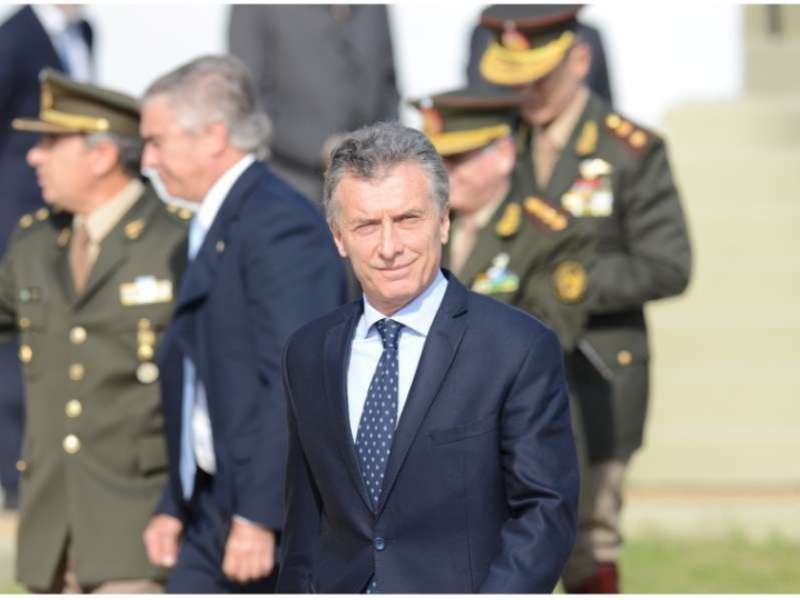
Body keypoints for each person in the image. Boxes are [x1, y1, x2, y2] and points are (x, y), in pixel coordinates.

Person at [276, 122, 579, 593]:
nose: (389, 247)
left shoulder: (515, 348)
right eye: (366, 225)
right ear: (338, 237)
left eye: (407, 220)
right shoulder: (309, 352)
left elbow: (544, 513)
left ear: (443, 222)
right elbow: (305, 524)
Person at [477, 5, 693, 593]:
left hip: (596, 371)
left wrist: (568, 282)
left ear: (579, 61)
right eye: (516, 78)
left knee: (590, 537)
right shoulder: (497, 143)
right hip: (506, 370)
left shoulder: (631, 151)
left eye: (540, 77)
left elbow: (670, 265)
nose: (526, 91)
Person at [139, 55, 348, 593]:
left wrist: (259, 515)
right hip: (213, 502)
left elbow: (294, 379)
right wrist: (175, 502)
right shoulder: (212, 221)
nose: (147, 159)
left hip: (273, 514)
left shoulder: (278, 223)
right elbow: (199, 378)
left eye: (157, 141)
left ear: (213, 136)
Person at [0, 69, 188, 592]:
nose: (34, 157)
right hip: (49, 538)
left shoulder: (176, 242)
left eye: (51, 142)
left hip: (136, 534)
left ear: (102, 155)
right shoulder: (35, 241)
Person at [414, 85, 595, 352]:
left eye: (456, 158)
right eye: (434, 162)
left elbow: (542, 343)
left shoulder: (551, 235)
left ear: (503, 155)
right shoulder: (420, 227)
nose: (442, 174)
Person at [0, 3, 93, 512]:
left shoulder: (84, 32)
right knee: (16, 351)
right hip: (15, 221)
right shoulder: (14, 38)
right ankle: (16, 475)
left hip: (67, 215)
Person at [227, 5, 400, 208]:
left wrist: (385, 150)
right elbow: (250, 103)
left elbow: (388, 84)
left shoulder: (374, 8)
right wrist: (322, 148)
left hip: (372, 184)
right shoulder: (254, 8)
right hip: (294, 188)